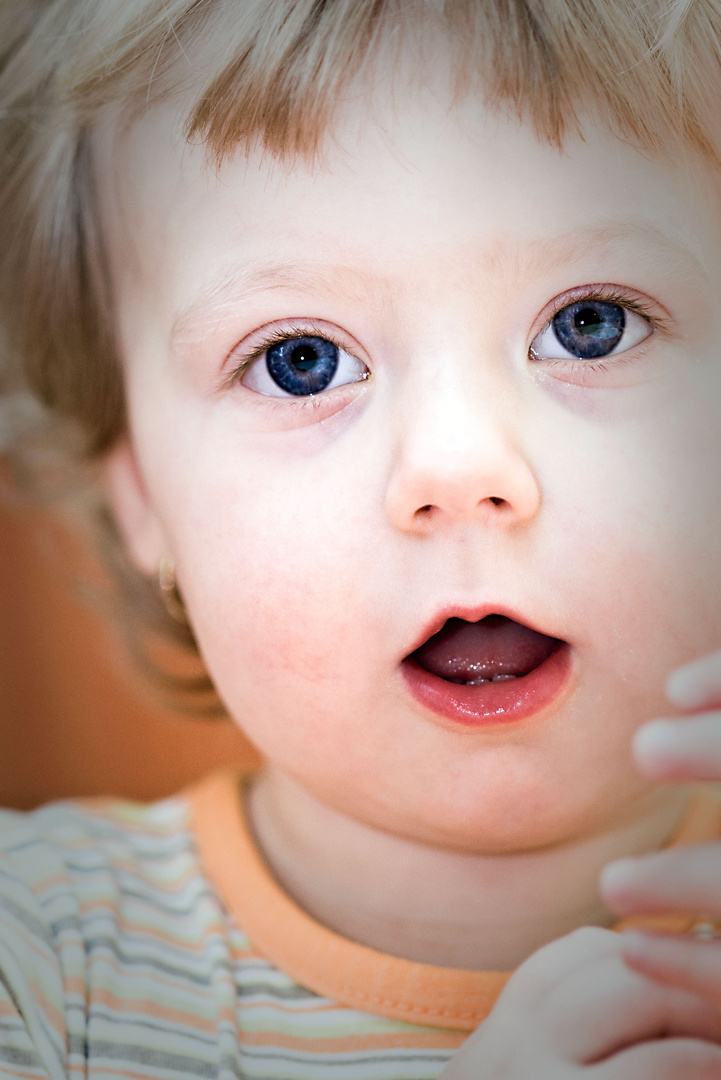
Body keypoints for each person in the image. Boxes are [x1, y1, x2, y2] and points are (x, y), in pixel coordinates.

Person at [1, 0, 721, 1076]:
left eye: (590, 324)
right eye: (301, 360)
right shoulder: (40, 966)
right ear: (142, 494)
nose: (460, 470)